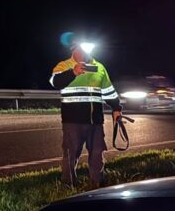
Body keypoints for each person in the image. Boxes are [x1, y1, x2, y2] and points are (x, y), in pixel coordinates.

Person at [49, 33, 122, 188]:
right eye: (83, 48)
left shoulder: (99, 68)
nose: (87, 51)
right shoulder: (64, 66)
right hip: (72, 120)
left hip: (95, 121)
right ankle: (68, 183)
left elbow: (108, 91)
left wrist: (116, 108)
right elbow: (55, 82)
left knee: (97, 153)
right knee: (71, 153)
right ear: (74, 49)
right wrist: (73, 72)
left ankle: (97, 183)